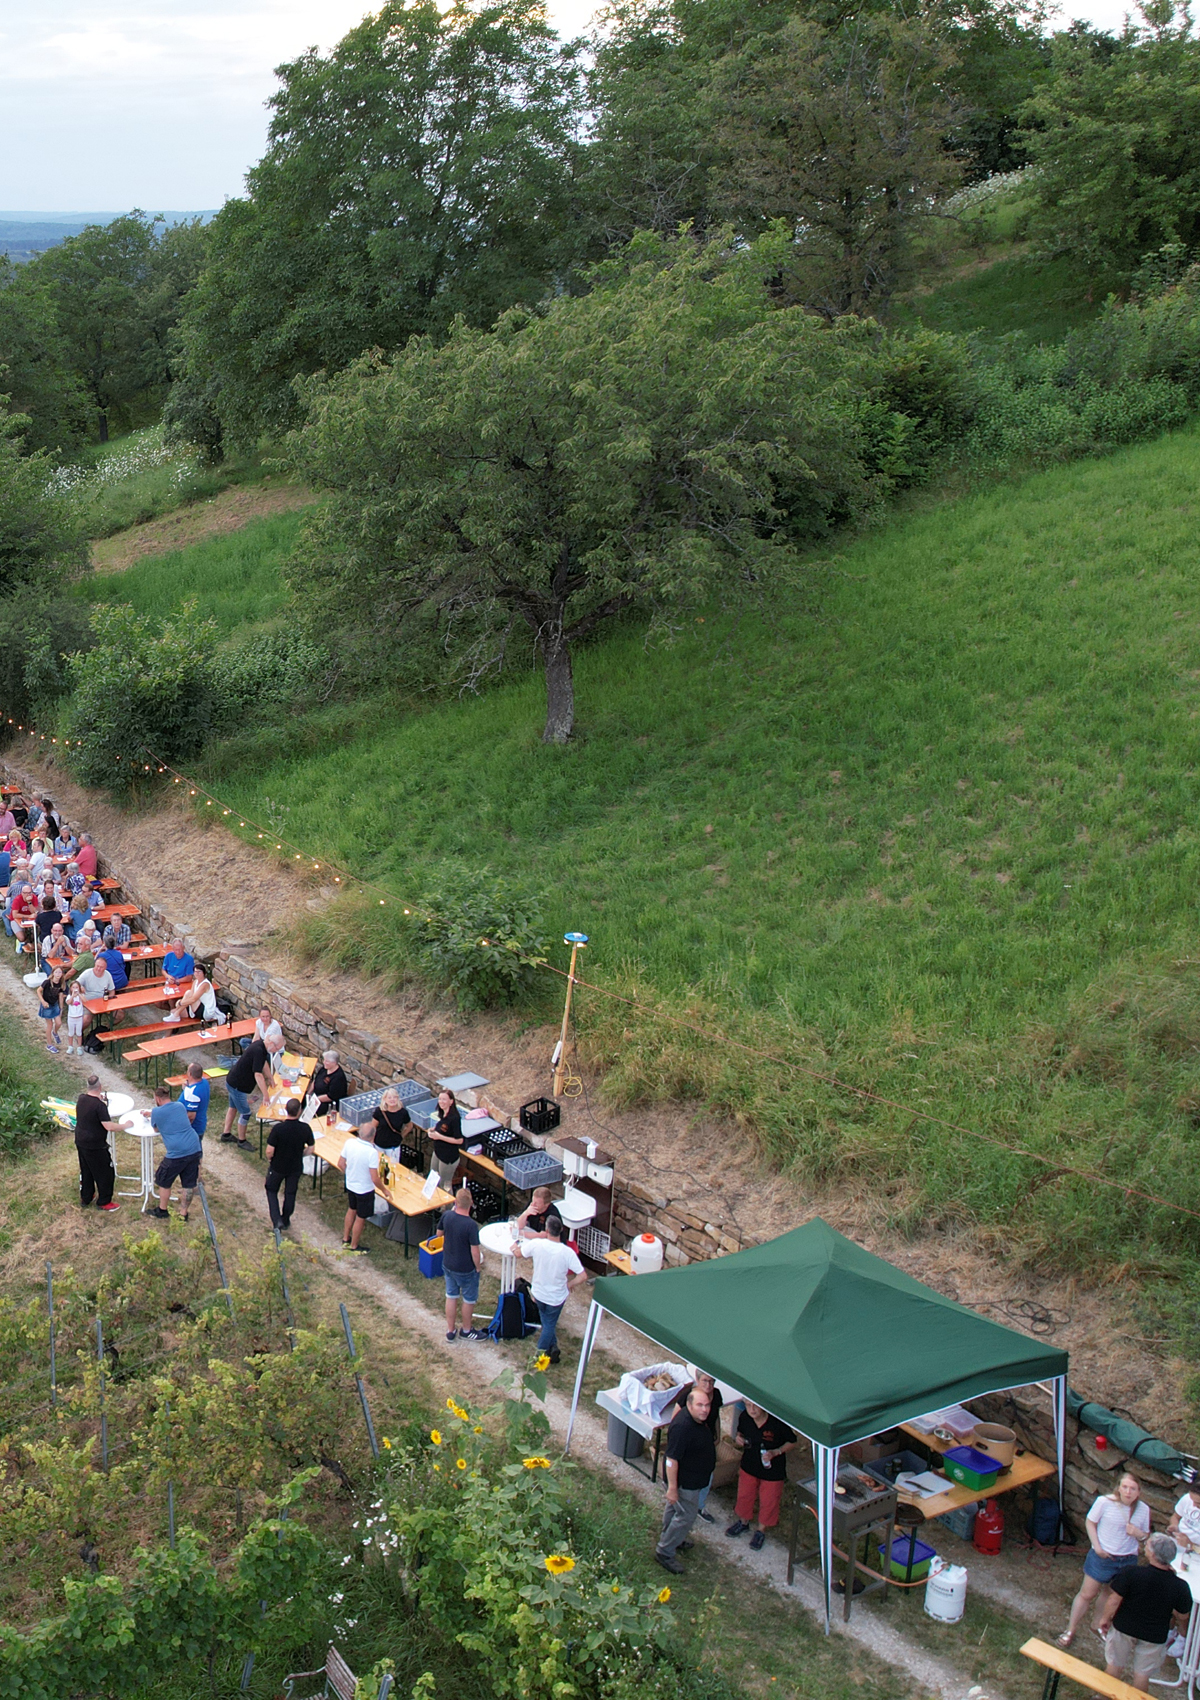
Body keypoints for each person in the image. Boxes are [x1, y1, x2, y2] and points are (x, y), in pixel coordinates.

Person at [1059, 1472, 1152, 1647]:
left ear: (1139, 1492)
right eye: (1124, 1487)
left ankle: (1097, 1625)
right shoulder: (1105, 1502)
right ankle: (1070, 1629)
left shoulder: (1144, 1510)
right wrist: (1098, 1547)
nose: (1128, 1492)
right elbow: (1090, 1522)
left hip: (1127, 1560)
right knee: (1087, 1593)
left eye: (1132, 1489)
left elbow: (1145, 1536)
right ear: (1118, 1487)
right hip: (1103, 1557)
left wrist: (1137, 1533)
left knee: (1110, 1594)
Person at [1098, 1532, 1193, 1693]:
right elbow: (1183, 1614)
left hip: (1124, 1627)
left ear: (1153, 1554)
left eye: (1148, 1546)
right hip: (1154, 1635)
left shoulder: (1131, 1573)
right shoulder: (1180, 1586)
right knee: (1142, 1675)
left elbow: (1114, 1600)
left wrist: (1105, 1619)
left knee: (1114, 1666)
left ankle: (1104, 1697)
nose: (1145, 1548)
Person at [656, 1385, 717, 1575]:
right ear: (689, 1405)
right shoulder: (683, 1426)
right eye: (700, 1405)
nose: (705, 1409)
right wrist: (673, 1488)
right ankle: (665, 1551)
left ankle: (672, 1537)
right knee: (686, 1516)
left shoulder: (695, 1420)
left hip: (692, 1479)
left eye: (707, 1405)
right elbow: (671, 1459)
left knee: (674, 1509)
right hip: (685, 1483)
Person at [725, 1401, 797, 1550]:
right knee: (745, 1494)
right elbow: (740, 1432)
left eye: (755, 1406)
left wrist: (776, 1452)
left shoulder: (777, 1422)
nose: (752, 1409)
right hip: (749, 1464)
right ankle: (743, 1522)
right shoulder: (745, 1417)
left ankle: (761, 1531)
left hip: (772, 1470)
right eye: (748, 1405)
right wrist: (739, 1438)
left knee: (769, 1499)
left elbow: (792, 1441)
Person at [516, 1216, 588, 1363]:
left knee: (547, 1322)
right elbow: (583, 1276)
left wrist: (514, 1247)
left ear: (547, 1230)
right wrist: (570, 1284)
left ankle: (547, 1351)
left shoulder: (537, 1244)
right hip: (556, 1297)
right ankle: (544, 1353)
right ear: (561, 1230)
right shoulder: (567, 1252)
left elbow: (519, 1253)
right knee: (549, 1324)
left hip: (539, 1293)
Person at [670, 1369, 724, 1522]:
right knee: (690, 1480)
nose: (709, 1385)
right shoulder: (688, 1395)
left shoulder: (717, 1395)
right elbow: (676, 1420)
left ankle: (699, 1506)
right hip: (693, 1444)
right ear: (698, 1379)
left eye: (712, 1381)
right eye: (705, 1381)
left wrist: (718, 1435)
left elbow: (716, 1416)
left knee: (708, 1474)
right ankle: (685, 1509)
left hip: (708, 1442)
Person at [148, 1085, 202, 1221]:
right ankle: (183, 1213)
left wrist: (152, 1115)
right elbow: (173, 1117)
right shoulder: (179, 1106)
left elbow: (155, 1129)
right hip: (194, 1147)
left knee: (163, 1179)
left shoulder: (156, 1111)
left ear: (158, 1099)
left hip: (177, 1152)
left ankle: (162, 1210)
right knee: (188, 1183)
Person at [221, 1030, 281, 1148]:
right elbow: (258, 1075)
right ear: (271, 1044)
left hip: (233, 1080)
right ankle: (242, 1141)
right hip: (237, 1085)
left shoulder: (261, 1046)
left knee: (233, 1107)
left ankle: (226, 1134)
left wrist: (270, 1078)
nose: (277, 1051)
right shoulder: (259, 1050)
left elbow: (263, 1063)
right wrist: (266, 1095)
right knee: (246, 1113)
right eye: (277, 1048)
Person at [73, 1076, 124, 1210]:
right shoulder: (99, 1106)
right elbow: (109, 1126)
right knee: (106, 1173)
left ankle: (86, 1197)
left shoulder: (81, 1099)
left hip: (80, 1140)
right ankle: (104, 1202)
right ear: (100, 1087)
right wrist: (125, 1125)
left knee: (86, 1170)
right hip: (95, 1145)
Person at [264, 1097, 315, 1230]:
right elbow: (311, 1148)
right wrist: (301, 1154)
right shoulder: (305, 1128)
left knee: (271, 1189)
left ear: (286, 1110)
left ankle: (276, 1220)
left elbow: (270, 1150)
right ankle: (286, 1219)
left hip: (278, 1165)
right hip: (295, 1166)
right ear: (299, 1111)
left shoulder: (279, 1129)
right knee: (290, 1193)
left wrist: (271, 1159)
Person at [440, 1186, 484, 1341]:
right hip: (466, 1268)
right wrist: (478, 1267)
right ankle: (466, 1330)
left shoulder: (447, 1216)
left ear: (455, 1202)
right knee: (468, 1299)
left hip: (448, 1264)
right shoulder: (471, 1225)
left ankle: (450, 1331)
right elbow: (475, 1252)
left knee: (451, 1296)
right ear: (470, 1204)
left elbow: (439, 1233)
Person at [337, 1115, 380, 1254]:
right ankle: (354, 1246)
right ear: (373, 1137)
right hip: (364, 1189)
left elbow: (341, 1163)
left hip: (351, 1185)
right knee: (360, 1218)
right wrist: (384, 1191)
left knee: (351, 1209)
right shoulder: (372, 1152)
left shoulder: (350, 1143)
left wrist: (349, 1174)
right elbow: (374, 1177)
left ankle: (345, 1238)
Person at [429, 1088, 463, 1193]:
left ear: (451, 1101)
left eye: (444, 1099)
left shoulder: (455, 1118)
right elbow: (442, 1127)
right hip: (438, 1151)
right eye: (440, 1099)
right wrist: (433, 1130)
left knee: (444, 1184)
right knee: (433, 1177)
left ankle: (448, 1207)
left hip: (448, 1156)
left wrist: (439, 1137)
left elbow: (459, 1140)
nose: (441, 1102)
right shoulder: (442, 1113)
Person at [374, 1087, 413, 1159]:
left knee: (393, 1167)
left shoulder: (403, 1112)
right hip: (379, 1144)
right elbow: (373, 1127)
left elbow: (409, 1126)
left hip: (393, 1146)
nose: (392, 1100)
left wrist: (402, 1136)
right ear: (385, 1099)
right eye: (389, 1097)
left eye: (394, 1097)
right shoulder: (379, 1111)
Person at [312, 1050, 348, 1121]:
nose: (324, 1062)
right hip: (316, 1096)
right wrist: (308, 1093)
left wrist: (316, 1099)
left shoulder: (338, 1078)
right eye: (324, 1060)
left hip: (326, 1103)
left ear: (334, 1063)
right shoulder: (324, 1069)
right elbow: (315, 1081)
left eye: (327, 1061)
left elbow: (331, 1096)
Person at [36, 966, 65, 1052]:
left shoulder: (61, 983)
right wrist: (43, 1002)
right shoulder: (47, 982)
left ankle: (55, 1033)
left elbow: (60, 996)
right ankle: (49, 1045)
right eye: (56, 972)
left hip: (55, 1005)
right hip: (47, 1006)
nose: (58, 974)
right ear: (53, 973)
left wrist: (61, 1008)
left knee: (59, 1023)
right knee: (50, 1025)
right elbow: (38, 990)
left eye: (60, 972)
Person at [181, 1061, 210, 1143]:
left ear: (190, 1074)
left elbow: (191, 1116)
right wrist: (186, 1088)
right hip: (201, 1124)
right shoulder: (204, 1082)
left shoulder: (192, 1092)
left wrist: (182, 1129)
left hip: (193, 1130)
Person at [1169, 1485, 1200, 1552]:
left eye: (1198, 1503)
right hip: (1176, 1543)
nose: (1193, 1505)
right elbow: (1175, 1516)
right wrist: (1175, 1526)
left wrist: (1191, 1546)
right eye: (1192, 1500)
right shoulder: (1187, 1498)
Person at [64, 981, 86, 1056]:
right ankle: (70, 1046)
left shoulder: (81, 995)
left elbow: (85, 1001)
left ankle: (79, 1047)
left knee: (79, 1033)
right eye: (73, 987)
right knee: (71, 1032)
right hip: (71, 1017)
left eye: (77, 987)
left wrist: (79, 994)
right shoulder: (69, 996)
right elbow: (68, 1002)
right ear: (70, 988)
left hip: (79, 1017)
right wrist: (73, 996)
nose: (75, 989)